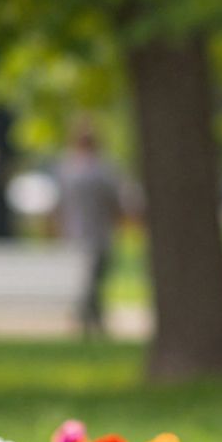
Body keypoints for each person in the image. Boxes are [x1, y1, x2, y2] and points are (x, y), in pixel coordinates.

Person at [54, 120, 123, 339]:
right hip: (98, 234)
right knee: (92, 282)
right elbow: (117, 204)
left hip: (77, 234)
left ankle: (88, 321)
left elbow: (59, 205)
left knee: (87, 282)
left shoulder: (67, 169)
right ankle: (91, 322)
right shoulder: (104, 170)